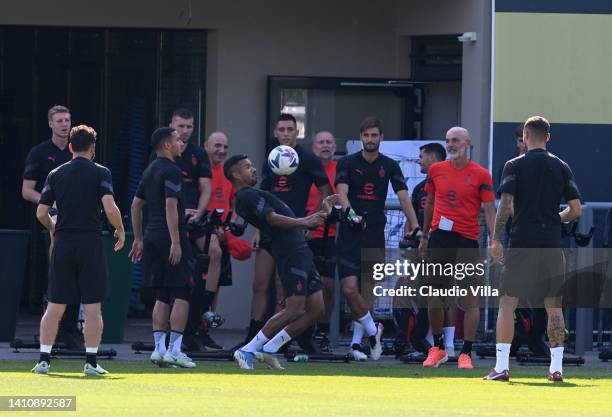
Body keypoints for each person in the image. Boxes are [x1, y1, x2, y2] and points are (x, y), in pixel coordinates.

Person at [485, 116, 582, 382]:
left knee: (507, 302)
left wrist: (495, 239)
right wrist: (554, 218)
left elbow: (505, 205)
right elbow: (575, 210)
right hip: (551, 244)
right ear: (548, 137)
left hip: (522, 243)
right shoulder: (562, 167)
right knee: (554, 306)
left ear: (526, 137)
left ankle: (502, 367)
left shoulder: (514, 165)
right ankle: (556, 368)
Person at [225, 154, 335, 369]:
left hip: (301, 251)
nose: (254, 169)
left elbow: (292, 219)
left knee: (316, 308)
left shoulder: (258, 193)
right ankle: (247, 349)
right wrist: (304, 221)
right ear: (236, 175)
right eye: (248, 167)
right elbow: (272, 219)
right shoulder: (246, 196)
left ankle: (269, 349)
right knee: (294, 309)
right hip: (289, 253)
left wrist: (322, 211)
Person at [31, 125, 125, 375]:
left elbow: (41, 212)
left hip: (63, 243)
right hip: (90, 243)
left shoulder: (55, 173)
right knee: (93, 306)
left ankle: (43, 360)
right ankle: (91, 363)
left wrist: (54, 228)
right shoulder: (101, 172)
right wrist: (121, 229)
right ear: (93, 148)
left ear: (70, 147)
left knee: (55, 305)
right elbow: (110, 207)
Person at [242, 113, 331, 349]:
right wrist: (259, 229)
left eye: (290, 129)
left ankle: (281, 340)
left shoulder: (308, 158)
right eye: (281, 129)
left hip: (294, 231)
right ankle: (252, 337)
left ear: (296, 132)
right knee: (260, 283)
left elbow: (326, 191)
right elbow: (262, 194)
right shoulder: (270, 158)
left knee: (286, 287)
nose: (285, 133)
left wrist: (314, 220)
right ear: (275, 132)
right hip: (270, 229)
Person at [335, 116, 420, 361]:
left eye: (374, 135)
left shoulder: (390, 166)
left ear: (381, 137)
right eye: (366, 136)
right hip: (350, 234)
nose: (370, 140)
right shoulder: (348, 162)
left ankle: (356, 344)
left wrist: (415, 226)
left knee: (367, 290)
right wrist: (351, 215)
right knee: (350, 290)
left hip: (374, 234)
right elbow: (342, 193)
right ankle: (374, 330)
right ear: (361, 137)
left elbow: (404, 198)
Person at [419, 127, 496, 369]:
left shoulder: (482, 174)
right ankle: (438, 347)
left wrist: (495, 240)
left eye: (455, 140)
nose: (451, 144)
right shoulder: (436, 170)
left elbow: (489, 209)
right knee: (434, 298)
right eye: (448, 140)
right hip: (440, 239)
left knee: (469, 299)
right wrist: (424, 236)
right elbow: (430, 202)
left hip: (467, 241)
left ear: (467, 143)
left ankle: (466, 352)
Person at [130, 127, 196, 369]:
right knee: (182, 291)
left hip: (151, 237)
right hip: (170, 238)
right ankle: (175, 350)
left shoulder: (149, 170)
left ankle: (159, 349)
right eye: (178, 139)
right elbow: (170, 206)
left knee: (161, 294)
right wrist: (177, 241)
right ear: (167, 145)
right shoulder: (172, 170)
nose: (181, 143)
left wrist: (138, 238)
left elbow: (136, 205)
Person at [22, 105, 83, 349]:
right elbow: (26, 190)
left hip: (76, 223)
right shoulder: (39, 153)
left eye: (67, 120)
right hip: (49, 221)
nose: (64, 124)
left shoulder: (77, 152)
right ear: (50, 124)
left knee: (76, 272)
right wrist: (51, 204)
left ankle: (70, 329)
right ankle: (51, 331)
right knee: (53, 273)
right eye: (59, 120)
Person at [183, 131, 238, 351]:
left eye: (225, 147)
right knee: (194, 281)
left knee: (216, 284)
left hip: (221, 233)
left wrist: (229, 226)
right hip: (200, 231)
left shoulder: (229, 173)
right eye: (217, 146)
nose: (221, 151)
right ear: (206, 145)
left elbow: (234, 204)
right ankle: (186, 328)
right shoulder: (201, 169)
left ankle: (204, 329)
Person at [410, 143, 455, 355]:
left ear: (432, 157)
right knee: (426, 296)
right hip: (423, 246)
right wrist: (417, 236)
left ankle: (450, 346)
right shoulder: (420, 189)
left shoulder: (450, 183)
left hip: (446, 245)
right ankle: (430, 343)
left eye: (421, 156)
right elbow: (412, 220)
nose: (419, 160)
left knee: (448, 296)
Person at [305, 131, 338, 352]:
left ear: (335, 146)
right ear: (313, 147)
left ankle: (323, 330)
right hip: (303, 232)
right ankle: (302, 330)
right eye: (321, 142)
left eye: (329, 142)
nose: (325, 145)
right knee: (302, 284)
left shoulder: (341, 170)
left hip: (330, 234)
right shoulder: (305, 168)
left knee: (327, 284)